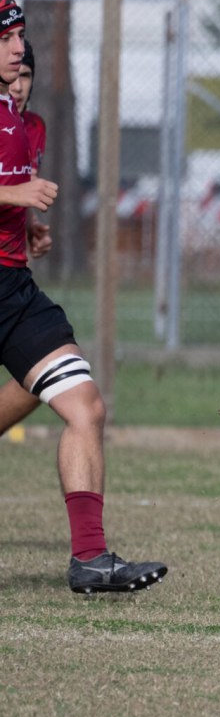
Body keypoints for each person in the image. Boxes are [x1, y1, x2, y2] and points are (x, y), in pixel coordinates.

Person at [0, 0, 167, 593]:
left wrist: (23, 227)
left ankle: (91, 559)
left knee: (85, 406)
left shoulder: (18, 119)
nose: (19, 49)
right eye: (7, 40)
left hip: (12, 289)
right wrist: (14, 198)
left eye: (19, 36)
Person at [0, 38, 54, 435]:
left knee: (48, 373)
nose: (18, 84)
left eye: (27, 75)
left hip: (11, 277)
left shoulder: (33, 129)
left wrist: (29, 227)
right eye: (15, 74)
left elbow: (17, 192)